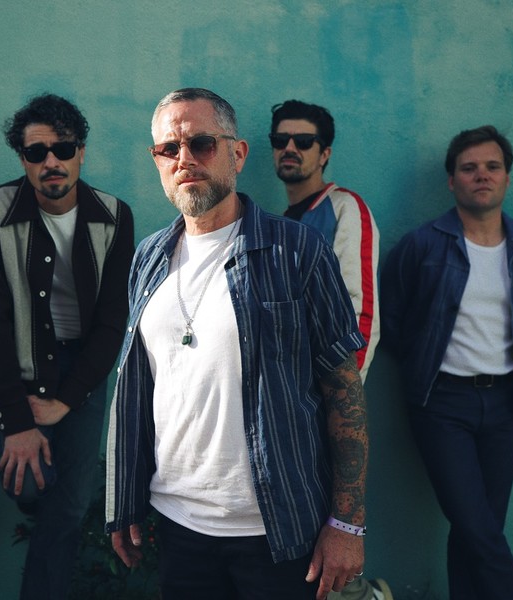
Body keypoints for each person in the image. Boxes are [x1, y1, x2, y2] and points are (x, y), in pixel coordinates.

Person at [106, 87, 370, 600]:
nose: (184, 159)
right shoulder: (148, 257)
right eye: (169, 148)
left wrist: (348, 522)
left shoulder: (297, 249)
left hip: (277, 529)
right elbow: (139, 388)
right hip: (178, 525)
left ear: (238, 154)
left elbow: (344, 389)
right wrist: (125, 497)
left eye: (201, 143)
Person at [380, 126, 513, 600]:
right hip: (442, 403)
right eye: (469, 168)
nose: (482, 175)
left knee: (478, 529)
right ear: (451, 180)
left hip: (507, 404)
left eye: (492, 167)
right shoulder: (423, 246)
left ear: (507, 178)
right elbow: (390, 320)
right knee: (478, 527)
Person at [0, 93, 134, 600]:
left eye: (63, 149)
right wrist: (19, 421)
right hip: (21, 365)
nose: (51, 162)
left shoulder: (114, 216)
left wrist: (66, 401)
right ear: (22, 158)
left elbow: (113, 321)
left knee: (69, 507)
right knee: (28, 485)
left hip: (84, 371)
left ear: (80, 152)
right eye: (36, 152)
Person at [271, 100, 391, 600]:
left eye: (303, 141)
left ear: (324, 153)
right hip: (288, 406)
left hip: (325, 405)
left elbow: (362, 316)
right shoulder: (280, 222)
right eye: (281, 140)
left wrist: (337, 400)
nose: (290, 148)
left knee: (332, 533)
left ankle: (365, 596)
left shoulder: (344, 209)